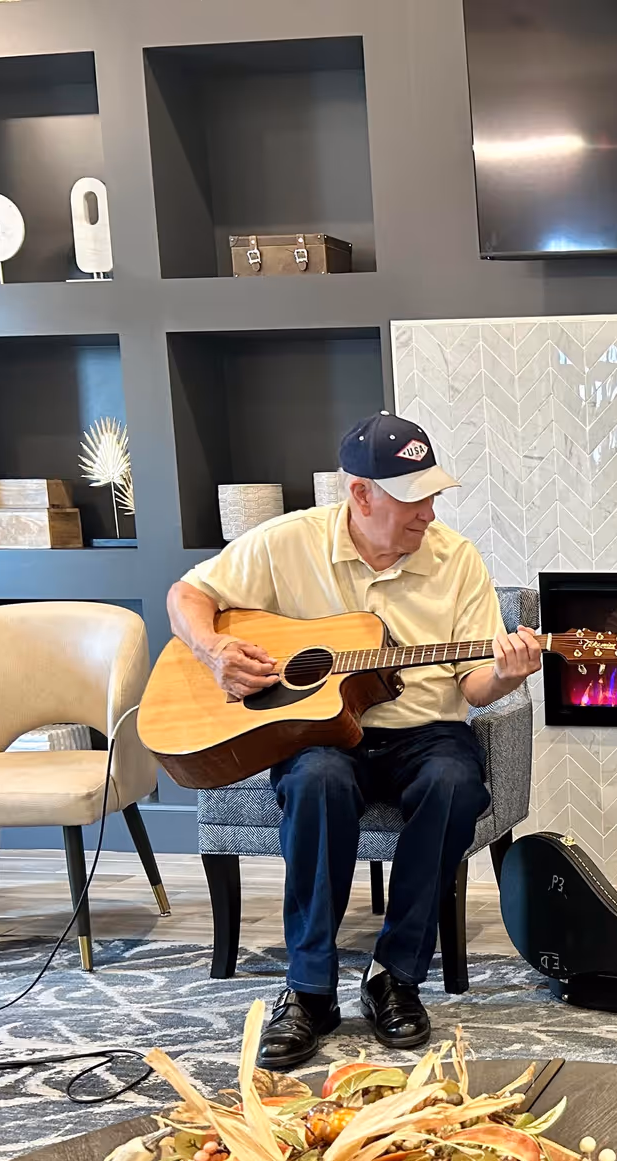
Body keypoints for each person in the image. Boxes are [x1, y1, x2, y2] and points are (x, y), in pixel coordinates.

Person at [166, 413, 542, 1066]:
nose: (428, 511)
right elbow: (187, 594)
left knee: (457, 786)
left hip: (428, 733)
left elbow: (474, 688)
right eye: (411, 497)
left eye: (432, 494)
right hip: (321, 737)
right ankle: (309, 990)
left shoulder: (457, 560)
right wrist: (214, 647)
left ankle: (394, 977)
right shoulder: (285, 542)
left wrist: (505, 671)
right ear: (360, 494)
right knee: (315, 781)